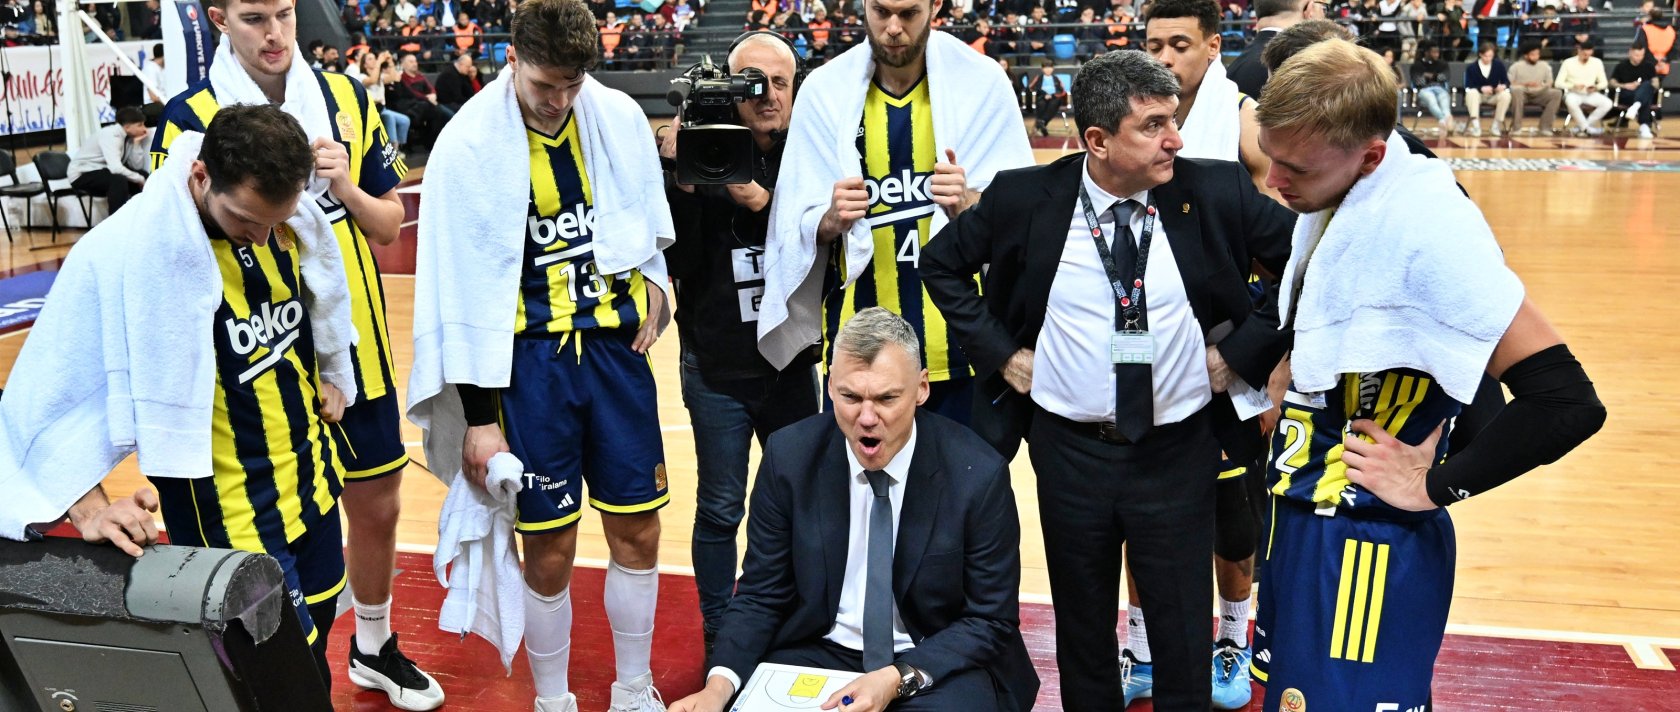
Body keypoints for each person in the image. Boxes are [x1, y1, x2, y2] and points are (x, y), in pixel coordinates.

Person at [921, 50, 1295, 712]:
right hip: (1069, 453)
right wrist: (1002, 354)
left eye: (1173, 120)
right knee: (1084, 633)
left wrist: (1242, 352)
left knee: (1182, 633)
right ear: (1097, 140)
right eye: (1153, 125)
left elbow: (1308, 261)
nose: (1174, 139)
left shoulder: (1213, 190)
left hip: (1177, 450)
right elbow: (941, 265)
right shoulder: (1022, 198)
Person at [1251, 38, 1606, 712]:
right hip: (1302, 522)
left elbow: (1567, 403)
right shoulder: (1343, 201)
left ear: (1372, 156)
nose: (1274, 180)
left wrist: (1437, 484)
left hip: (1364, 546)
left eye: (1292, 165)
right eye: (1271, 156)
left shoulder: (1429, 231)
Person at [149, 0, 440, 707]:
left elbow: (390, 221)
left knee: (375, 503)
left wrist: (340, 185)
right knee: (277, 535)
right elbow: (169, 249)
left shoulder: (343, 94)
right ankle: (281, 677)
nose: (274, 32)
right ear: (219, 18)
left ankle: (374, 646)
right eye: (254, 17)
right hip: (262, 360)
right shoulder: (191, 116)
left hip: (353, 346)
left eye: (283, 12)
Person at [10, 105, 354, 695]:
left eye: (278, 220)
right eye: (246, 218)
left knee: (319, 635)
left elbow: (313, 310)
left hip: (313, 478)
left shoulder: (281, 226)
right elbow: (48, 388)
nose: (263, 235)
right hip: (229, 510)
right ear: (200, 177)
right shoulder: (131, 249)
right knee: (287, 682)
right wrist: (88, 504)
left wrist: (330, 369)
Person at [407, 0, 675, 710]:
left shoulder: (613, 117)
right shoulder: (467, 146)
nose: (558, 101)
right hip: (529, 370)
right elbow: (456, 291)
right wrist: (478, 419)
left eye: (572, 87)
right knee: (549, 547)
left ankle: (634, 687)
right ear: (512, 61)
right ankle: (552, 698)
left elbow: (643, 218)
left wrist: (653, 276)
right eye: (544, 85)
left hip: (616, 358)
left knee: (638, 527)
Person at [666, 308, 1039, 712]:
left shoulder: (978, 473)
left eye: (886, 398)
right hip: (820, 650)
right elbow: (761, 595)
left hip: (933, 658)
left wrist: (897, 678)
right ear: (829, 387)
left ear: (921, 389)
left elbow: (989, 620)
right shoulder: (789, 457)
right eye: (850, 397)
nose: (866, 418)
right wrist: (718, 688)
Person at [756, 0, 1034, 431]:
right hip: (859, 353)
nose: (893, 28)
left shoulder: (981, 83)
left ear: (935, 6)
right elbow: (793, 222)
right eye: (881, 11)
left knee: (964, 495)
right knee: (863, 498)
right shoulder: (825, 91)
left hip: (961, 352)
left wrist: (969, 201)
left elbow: (1022, 218)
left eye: (908, 14)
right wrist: (829, 218)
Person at [657, 31, 820, 656]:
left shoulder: (807, 151)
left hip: (790, 363)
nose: (769, 94)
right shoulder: (701, 149)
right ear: (729, 88)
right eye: (754, 82)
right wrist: (684, 180)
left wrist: (763, 201)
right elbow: (683, 262)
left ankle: (798, 610)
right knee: (721, 508)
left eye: (781, 81)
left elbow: (822, 241)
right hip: (716, 368)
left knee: (799, 502)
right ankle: (720, 626)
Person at [69, 106, 149, 214]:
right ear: (127, 127)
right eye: (140, 125)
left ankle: (139, 217)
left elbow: (136, 167)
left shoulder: (128, 137)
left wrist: (136, 144)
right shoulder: (111, 135)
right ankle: (116, 224)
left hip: (102, 171)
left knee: (143, 174)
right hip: (82, 175)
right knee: (118, 180)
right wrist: (139, 179)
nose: (144, 129)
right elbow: (115, 168)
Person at [1557, 39, 1612, 135]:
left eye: (1588, 54)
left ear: (1592, 52)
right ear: (1579, 51)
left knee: (1607, 103)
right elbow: (1558, 83)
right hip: (1573, 93)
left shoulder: (1597, 62)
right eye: (1584, 54)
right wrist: (1573, 86)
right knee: (1570, 101)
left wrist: (1596, 87)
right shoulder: (1568, 62)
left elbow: (1604, 83)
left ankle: (1583, 127)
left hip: (1590, 93)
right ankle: (1586, 129)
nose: (1586, 56)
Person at [1510, 40, 1564, 134]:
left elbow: (1549, 82)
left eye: (1537, 54)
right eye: (1532, 54)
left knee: (1557, 93)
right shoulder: (1516, 66)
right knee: (1516, 90)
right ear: (1526, 55)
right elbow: (1510, 83)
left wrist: (1541, 85)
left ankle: (1545, 127)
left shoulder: (1545, 66)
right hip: (1523, 93)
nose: (1536, 56)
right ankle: (1516, 128)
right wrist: (1525, 84)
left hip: (1540, 93)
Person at [1464, 42, 1512, 136]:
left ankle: (1495, 126)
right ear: (1480, 54)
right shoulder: (1472, 68)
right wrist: (1481, 88)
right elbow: (1468, 85)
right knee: (1471, 93)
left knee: (1506, 95)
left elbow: (1506, 82)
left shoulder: (1498, 65)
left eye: (1490, 56)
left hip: (1493, 95)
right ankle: (1476, 126)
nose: (1488, 59)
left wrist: (1502, 86)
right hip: (1478, 95)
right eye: (1486, 56)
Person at [1611, 43, 1658, 138]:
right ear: (1630, 53)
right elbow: (1612, 82)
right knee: (1645, 97)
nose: (1639, 58)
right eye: (1637, 55)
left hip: (1644, 93)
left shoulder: (1649, 66)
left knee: (1646, 85)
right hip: (1627, 94)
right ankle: (1644, 125)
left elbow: (1656, 83)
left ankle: (1636, 106)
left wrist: (1645, 87)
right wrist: (1625, 85)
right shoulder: (1621, 66)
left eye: (1642, 55)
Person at [1409, 40, 1455, 135]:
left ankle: (1446, 119)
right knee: (1431, 100)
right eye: (1434, 52)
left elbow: (1445, 77)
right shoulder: (1417, 65)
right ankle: (1444, 120)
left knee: (1445, 105)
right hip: (1425, 90)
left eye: (1437, 52)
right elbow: (1418, 81)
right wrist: (1435, 76)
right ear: (1426, 53)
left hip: (1440, 89)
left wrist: (1428, 76)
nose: (1436, 54)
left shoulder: (1442, 64)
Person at [1028, 59, 1067, 136]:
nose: (1048, 69)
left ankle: (1040, 122)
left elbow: (1061, 90)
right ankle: (1042, 125)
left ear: (1053, 68)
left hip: (1054, 98)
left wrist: (1052, 95)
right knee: (1041, 104)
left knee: (1054, 104)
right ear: (1042, 69)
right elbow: (1032, 88)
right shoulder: (1039, 78)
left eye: (1050, 67)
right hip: (1042, 97)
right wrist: (1044, 94)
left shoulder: (1056, 78)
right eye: (1046, 67)